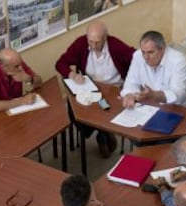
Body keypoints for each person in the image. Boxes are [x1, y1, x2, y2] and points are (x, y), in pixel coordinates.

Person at [56, 21, 135, 158]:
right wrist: (73, 75)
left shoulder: (116, 46)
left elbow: (136, 60)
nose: (93, 45)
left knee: (103, 107)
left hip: (113, 89)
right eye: (90, 41)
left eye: (97, 42)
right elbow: (61, 63)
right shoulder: (81, 44)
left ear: (105, 37)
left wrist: (130, 85)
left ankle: (103, 136)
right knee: (75, 110)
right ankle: (103, 132)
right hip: (90, 89)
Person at [121, 30, 186, 111]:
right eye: (143, 52)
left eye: (150, 52)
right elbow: (131, 82)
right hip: (153, 107)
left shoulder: (179, 61)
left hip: (184, 109)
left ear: (162, 49)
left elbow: (178, 95)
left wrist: (154, 95)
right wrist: (129, 94)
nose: (146, 57)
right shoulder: (138, 56)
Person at [0, 48, 42, 115]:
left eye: (20, 63)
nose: (20, 68)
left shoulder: (18, 64)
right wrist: (22, 101)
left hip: (14, 110)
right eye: (16, 66)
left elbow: (39, 83)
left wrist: (28, 79)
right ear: (3, 67)